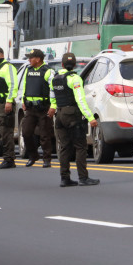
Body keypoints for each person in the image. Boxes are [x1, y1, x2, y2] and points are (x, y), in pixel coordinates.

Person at [51, 53, 100, 187]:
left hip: (59, 115)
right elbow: (80, 100)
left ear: (62, 64)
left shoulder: (55, 78)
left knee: (65, 147)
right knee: (80, 146)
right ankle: (83, 178)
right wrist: (90, 117)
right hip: (72, 114)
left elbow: (53, 99)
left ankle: (64, 178)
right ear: (74, 65)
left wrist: (53, 109)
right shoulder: (75, 78)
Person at [20, 49, 56, 168]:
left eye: (31, 57)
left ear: (38, 59)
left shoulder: (48, 71)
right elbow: (25, 86)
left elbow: (53, 89)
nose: (29, 60)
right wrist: (23, 101)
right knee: (26, 132)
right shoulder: (28, 70)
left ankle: (47, 159)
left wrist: (53, 106)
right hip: (30, 108)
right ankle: (33, 155)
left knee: (45, 135)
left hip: (43, 108)